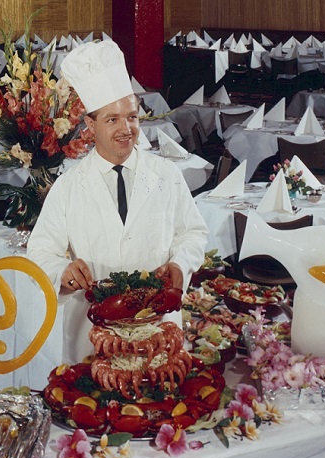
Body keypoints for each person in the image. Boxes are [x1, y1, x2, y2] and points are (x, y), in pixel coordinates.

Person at [26, 40, 209, 364]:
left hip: (159, 330)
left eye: (132, 117)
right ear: (89, 125)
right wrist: (62, 270)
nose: (127, 130)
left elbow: (193, 233)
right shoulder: (69, 186)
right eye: (112, 120)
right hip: (92, 335)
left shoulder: (166, 174)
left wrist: (181, 264)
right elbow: (40, 251)